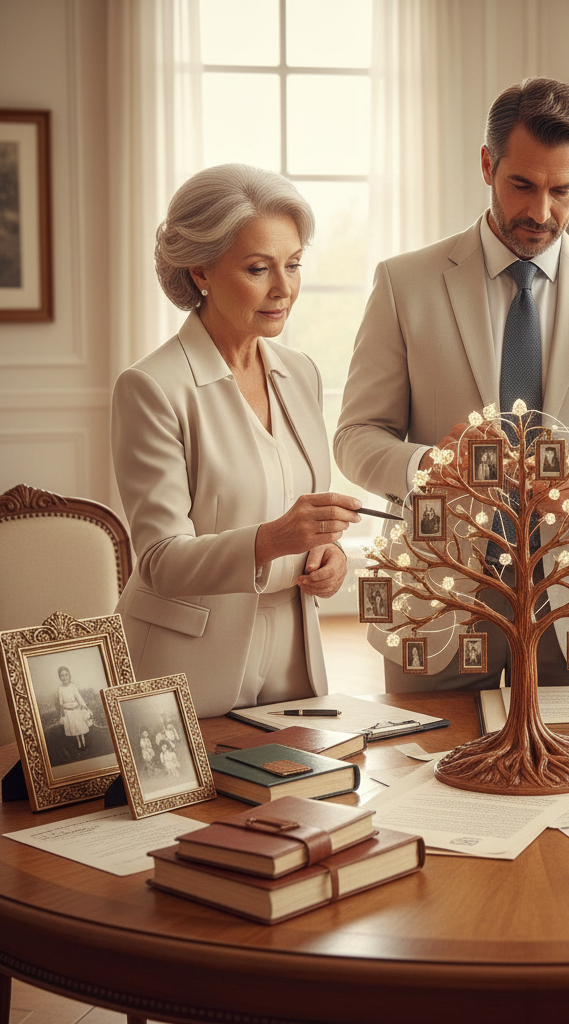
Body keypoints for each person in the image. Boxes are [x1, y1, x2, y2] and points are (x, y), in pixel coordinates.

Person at [335, 77, 569, 692]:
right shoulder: (403, 283)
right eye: (522, 185)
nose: (540, 213)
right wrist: (435, 467)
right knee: (422, 778)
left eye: (561, 191)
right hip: (434, 605)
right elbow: (356, 436)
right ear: (487, 165)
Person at [111, 164, 362, 718]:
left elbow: (298, 512)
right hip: (183, 674)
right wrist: (272, 539)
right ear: (200, 269)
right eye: (258, 268)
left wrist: (329, 555)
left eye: (294, 265)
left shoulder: (302, 374)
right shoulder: (151, 387)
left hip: (293, 673)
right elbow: (158, 560)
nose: (284, 288)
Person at [55, 667, 91, 750]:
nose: (64, 677)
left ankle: (84, 743)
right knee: (73, 728)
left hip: (76, 710)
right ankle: (78, 743)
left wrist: (84, 706)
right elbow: (61, 701)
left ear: (69, 676)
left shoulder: (72, 687)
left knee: (79, 727)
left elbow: (79, 698)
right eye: (62, 675)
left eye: (66, 675)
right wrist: (62, 709)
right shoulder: (60, 689)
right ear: (60, 678)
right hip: (68, 712)